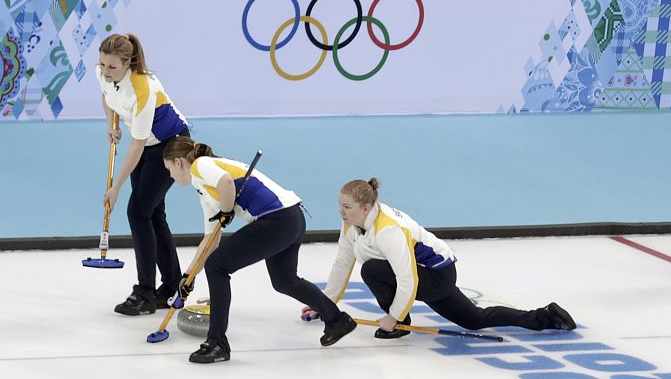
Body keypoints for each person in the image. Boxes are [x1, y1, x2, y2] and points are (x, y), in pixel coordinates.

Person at [162, 136, 356, 364]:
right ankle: (337, 319)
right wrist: (189, 275)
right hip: (291, 218)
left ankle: (217, 344)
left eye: (169, 170)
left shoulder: (201, 165)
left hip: (277, 219)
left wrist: (226, 210)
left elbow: (226, 183)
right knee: (284, 281)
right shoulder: (205, 192)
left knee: (217, 266)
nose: (171, 177)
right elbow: (209, 241)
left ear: (178, 162)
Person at [307, 178, 576, 339]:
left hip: (437, 275)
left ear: (366, 207)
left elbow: (407, 280)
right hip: (428, 274)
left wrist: (394, 317)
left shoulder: (388, 230)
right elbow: (342, 263)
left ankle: (402, 326)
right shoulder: (352, 222)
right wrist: (325, 304)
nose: (341, 211)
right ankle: (545, 317)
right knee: (474, 319)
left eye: (347, 206)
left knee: (373, 270)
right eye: (340, 205)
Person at [97, 33, 189, 315]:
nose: (105, 70)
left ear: (128, 63)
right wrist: (111, 124)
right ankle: (173, 283)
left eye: (112, 67)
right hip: (146, 143)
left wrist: (116, 188)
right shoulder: (104, 71)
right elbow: (107, 95)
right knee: (151, 212)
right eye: (102, 64)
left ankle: (145, 294)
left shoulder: (143, 88)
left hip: (171, 145)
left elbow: (136, 147)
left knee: (138, 211)